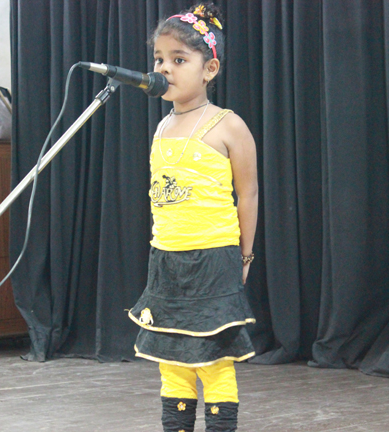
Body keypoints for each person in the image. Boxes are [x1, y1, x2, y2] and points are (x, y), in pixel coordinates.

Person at [127, 3, 258, 431]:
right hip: (167, 259)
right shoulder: (162, 127)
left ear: (209, 69)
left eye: (179, 60)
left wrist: (245, 256)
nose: (164, 68)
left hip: (213, 258)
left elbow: (248, 193)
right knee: (171, 359)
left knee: (214, 358)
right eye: (159, 59)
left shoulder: (228, 126)